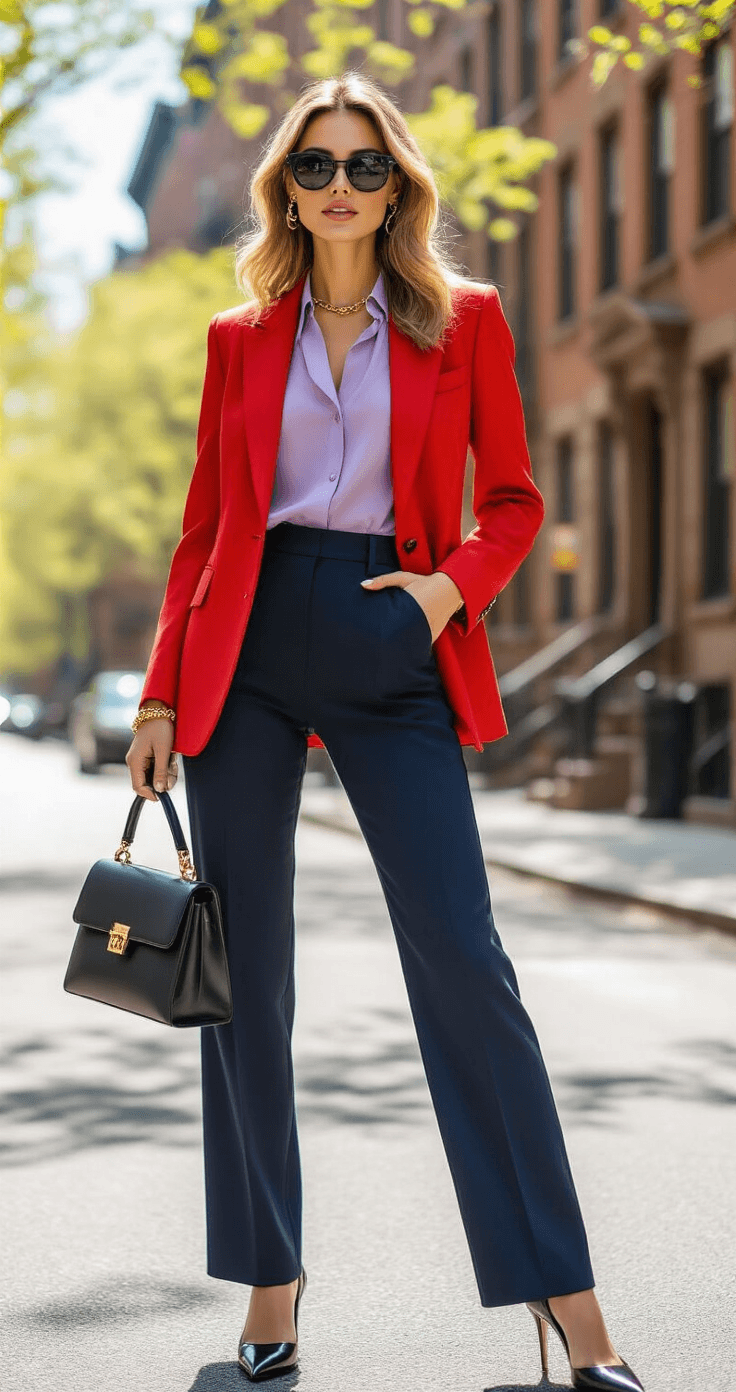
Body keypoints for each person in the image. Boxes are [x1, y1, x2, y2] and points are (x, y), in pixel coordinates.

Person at [126, 71, 645, 1390]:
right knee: (247, 978)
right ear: (288, 192)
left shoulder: (464, 321)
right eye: (316, 166)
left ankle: (567, 1298)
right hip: (244, 651)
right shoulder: (241, 338)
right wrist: (159, 695)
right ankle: (272, 1277)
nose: (342, 185)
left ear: (398, 184)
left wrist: (444, 592)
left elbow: (514, 502)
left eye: (366, 164)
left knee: (465, 961)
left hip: (389, 630)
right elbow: (206, 528)